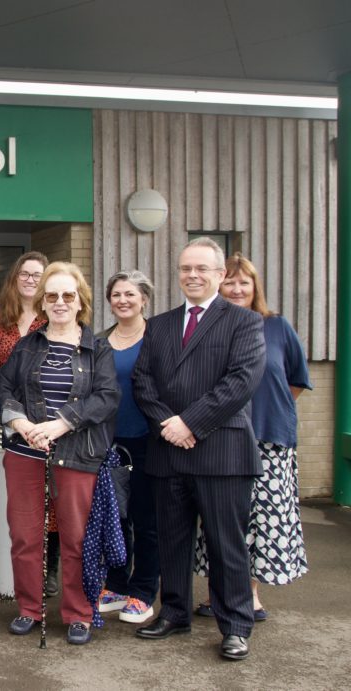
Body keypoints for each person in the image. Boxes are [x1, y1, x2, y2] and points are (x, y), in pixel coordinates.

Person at [132, 237, 265, 661]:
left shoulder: (243, 323)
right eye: (186, 268)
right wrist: (169, 426)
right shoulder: (160, 324)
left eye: (202, 269)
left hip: (222, 453)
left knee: (228, 545)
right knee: (172, 539)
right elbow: (142, 381)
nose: (192, 275)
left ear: (220, 274)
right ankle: (173, 612)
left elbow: (240, 383)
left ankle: (235, 625)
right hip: (169, 452)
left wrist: (190, 422)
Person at [0, 261, 119, 646]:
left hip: (77, 452)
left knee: (77, 537)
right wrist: (21, 425)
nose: (60, 302)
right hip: (26, 452)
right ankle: (29, 608)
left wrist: (62, 422)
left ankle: (79, 613)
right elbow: (4, 389)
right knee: (25, 535)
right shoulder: (27, 344)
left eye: (68, 295)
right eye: (52, 296)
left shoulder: (97, 347)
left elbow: (107, 397)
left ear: (80, 300)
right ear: (43, 302)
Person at [192, 253, 311, 620]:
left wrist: (263, 410)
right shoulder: (205, 326)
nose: (237, 288)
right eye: (230, 282)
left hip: (268, 436)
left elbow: (295, 380)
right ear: (219, 284)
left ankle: (250, 594)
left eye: (244, 282)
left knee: (261, 517)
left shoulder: (277, 326)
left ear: (255, 286)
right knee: (221, 514)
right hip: (220, 435)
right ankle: (218, 593)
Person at [0, 251, 53, 591]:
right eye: (24, 273)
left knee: (50, 495)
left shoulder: (55, 317)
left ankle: (49, 569)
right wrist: (10, 407)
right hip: (9, 422)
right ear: (15, 279)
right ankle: (11, 568)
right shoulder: (1, 320)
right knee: (12, 496)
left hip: (46, 423)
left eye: (37, 274)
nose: (29, 280)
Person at [96, 270, 159, 624]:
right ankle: (117, 585)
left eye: (130, 294)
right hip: (110, 442)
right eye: (116, 294)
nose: (122, 300)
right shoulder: (101, 340)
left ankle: (144, 590)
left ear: (144, 299)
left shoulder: (157, 337)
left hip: (149, 441)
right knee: (115, 518)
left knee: (146, 518)